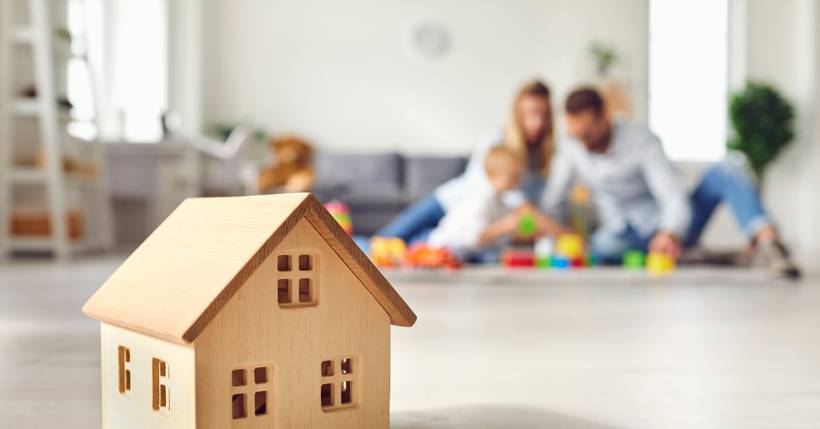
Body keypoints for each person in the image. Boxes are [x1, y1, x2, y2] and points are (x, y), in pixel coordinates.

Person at [542, 87, 800, 278]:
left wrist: (669, 231)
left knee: (727, 169)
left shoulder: (641, 140)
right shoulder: (571, 147)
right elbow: (554, 198)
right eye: (576, 136)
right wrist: (550, 235)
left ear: (605, 117)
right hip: (621, 234)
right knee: (602, 248)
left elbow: (671, 194)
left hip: (669, 226)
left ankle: (769, 245)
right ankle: (696, 256)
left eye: (588, 134)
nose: (583, 143)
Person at [377, 80, 556, 243]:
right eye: (531, 114)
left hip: (467, 226)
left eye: (543, 115)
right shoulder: (495, 140)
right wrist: (558, 230)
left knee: (415, 248)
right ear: (517, 113)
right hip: (446, 203)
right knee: (382, 242)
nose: (537, 123)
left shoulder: (542, 157)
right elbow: (508, 196)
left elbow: (531, 210)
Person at [428, 146, 566, 262]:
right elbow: (475, 238)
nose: (518, 181)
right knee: (493, 258)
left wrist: (525, 232)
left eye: (519, 176)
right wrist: (505, 226)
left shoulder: (500, 201)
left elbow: (516, 225)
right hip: (442, 250)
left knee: (500, 255)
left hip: (467, 254)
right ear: (495, 175)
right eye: (513, 176)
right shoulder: (480, 200)